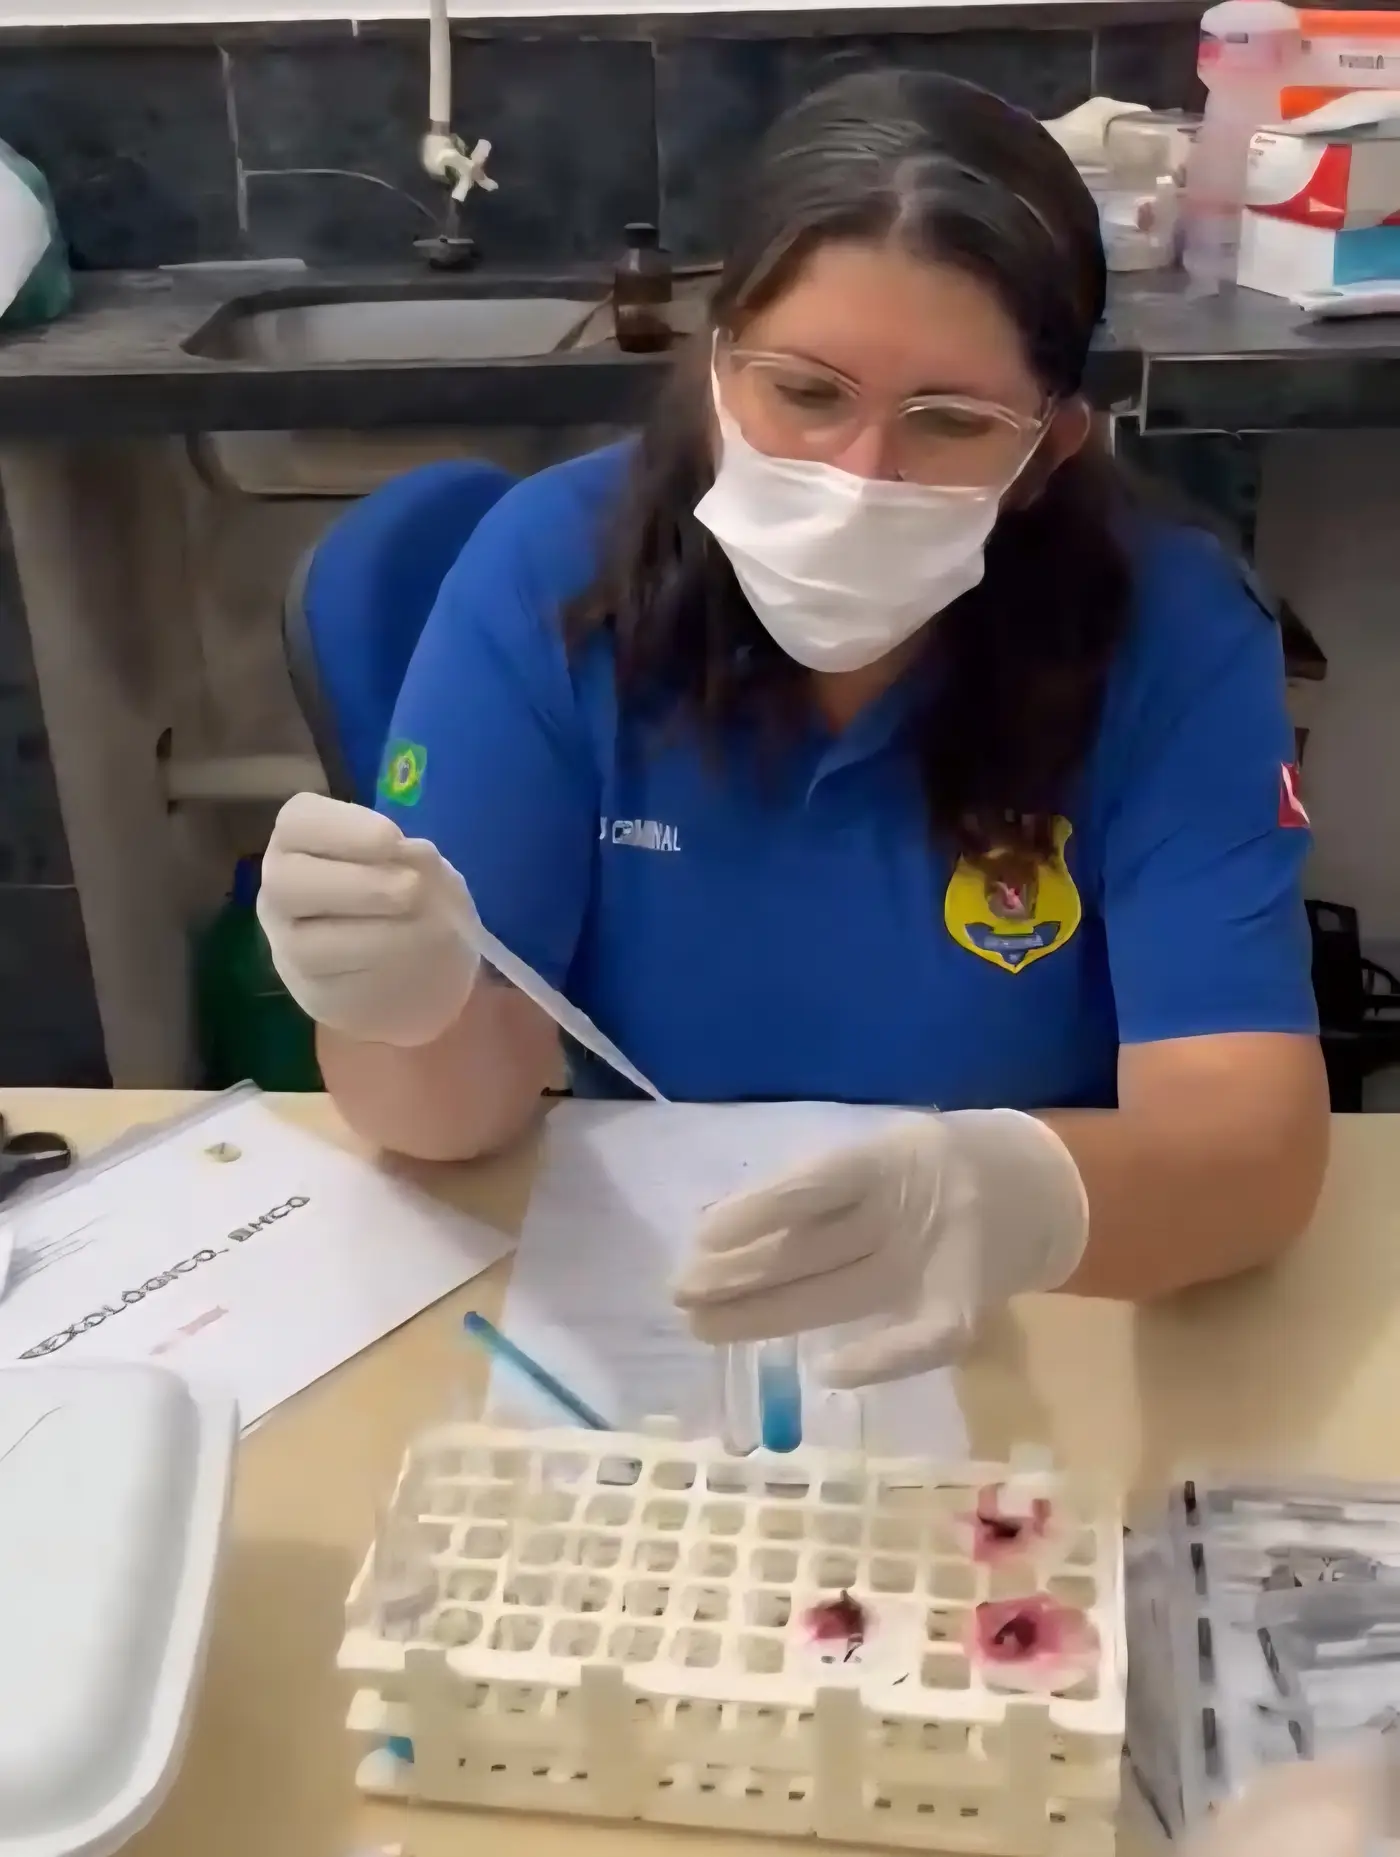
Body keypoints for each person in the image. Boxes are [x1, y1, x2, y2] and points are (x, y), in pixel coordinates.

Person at [257, 69, 1328, 1386]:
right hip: (654, 1307)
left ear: (1049, 450)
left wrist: (1021, 1198)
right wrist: (402, 1011)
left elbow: (1254, 1152)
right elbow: (442, 1126)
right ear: (716, 370)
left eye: (950, 421)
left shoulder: (1172, 634)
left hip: (1040, 1312)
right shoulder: (553, 576)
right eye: (807, 394)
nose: (856, 480)